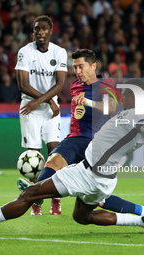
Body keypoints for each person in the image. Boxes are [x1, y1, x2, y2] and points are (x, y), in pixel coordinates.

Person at [0, 33, 144, 235]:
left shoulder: (137, 117)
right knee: (81, 216)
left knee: (29, 195)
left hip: (89, 173)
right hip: (104, 177)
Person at [18, 48, 117, 215]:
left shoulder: (106, 85)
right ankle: (36, 193)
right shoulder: (74, 86)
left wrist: (88, 102)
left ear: (94, 66)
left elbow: (111, 108)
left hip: (97, 144)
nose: (77, 71)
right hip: (75, 139)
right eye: (75, 67)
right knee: (53, 161)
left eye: (81, 67)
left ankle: (142, 213)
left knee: (96, 199)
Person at [14, 15, 68, 214]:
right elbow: (23, 84)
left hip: (49, 109)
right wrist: (45, 101)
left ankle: (55, 196)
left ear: (51, 32)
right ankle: (36, 200)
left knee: (55, 153)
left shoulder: (59, 52)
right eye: (37, 29)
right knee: (33, 156)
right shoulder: (25, 52)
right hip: (30, 108)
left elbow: (61, 84)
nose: (40, 32)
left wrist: (44, 101)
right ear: (34, 32)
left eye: (44, 29)